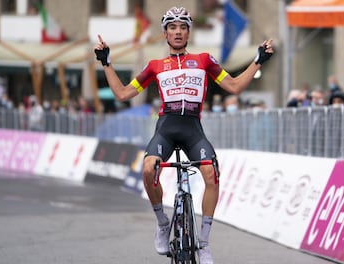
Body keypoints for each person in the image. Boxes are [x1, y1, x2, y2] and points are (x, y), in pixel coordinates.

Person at [94, 6, 274, 263]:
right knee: (148, 168)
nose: (177, 32)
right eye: (172, 27)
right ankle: (162, 223)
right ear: (165, 34)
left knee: (211, 172)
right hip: (166, 129)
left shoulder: (204, 61)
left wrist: (257, 61)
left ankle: (203, 243)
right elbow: (123, 94)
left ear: (188, 32)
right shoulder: (155, 66)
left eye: (182, 27)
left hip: (192, 129)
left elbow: (233, 86)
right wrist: (107, 63)